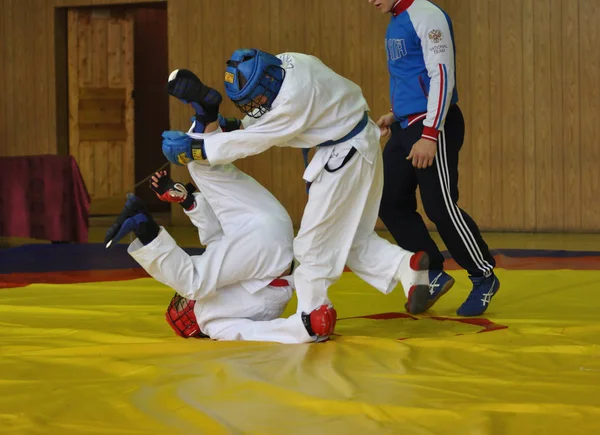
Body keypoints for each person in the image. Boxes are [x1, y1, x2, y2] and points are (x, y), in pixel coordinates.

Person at [159, 49, 433, 341]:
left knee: (310, 246)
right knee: (353, 238)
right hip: (359, 142)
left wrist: (196, 150)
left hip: (345, 156)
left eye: (258, 98)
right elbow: (268, 122)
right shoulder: (288, 62)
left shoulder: (293, 98)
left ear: (268, 81)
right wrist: (233, 125)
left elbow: (257, 139)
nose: (258, 104)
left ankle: (313, 314)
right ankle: (407, 268)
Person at [104, 121, 335, 343]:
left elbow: (215, 239)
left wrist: (189, 202)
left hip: (271, 234)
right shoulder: (210, 322)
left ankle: (206, 121)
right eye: (186, 306)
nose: (189, 302)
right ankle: (145, 227)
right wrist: (305, 328)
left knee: (199, 165)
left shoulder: (221, 293)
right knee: (193, 283)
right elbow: (256, 331)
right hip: (271, 237)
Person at [368, 0, 500, 316]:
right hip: (406, 124)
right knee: (389, 201)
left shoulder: (426, 14)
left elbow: (441, 74)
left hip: (432, 126)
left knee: (440, 207)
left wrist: (430, 134)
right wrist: (394, 113)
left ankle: (483, 276)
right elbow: (411, 73)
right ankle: (433, 273)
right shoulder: (397, 18)